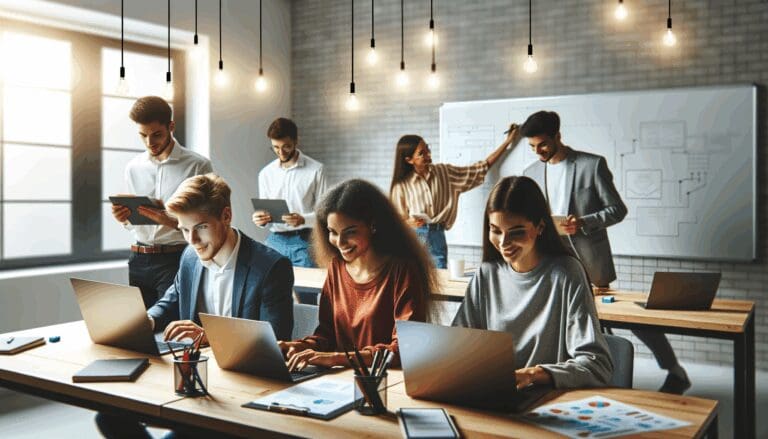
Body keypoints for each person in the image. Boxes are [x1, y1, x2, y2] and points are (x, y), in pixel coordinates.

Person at [96, 173, 294, 439]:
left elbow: (275, 343)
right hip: (194, 381)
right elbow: (172, 299)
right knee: (109, 415)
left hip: (240, 394)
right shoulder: (189, 255)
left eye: (200, 227)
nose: (192, 240)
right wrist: (146, 321)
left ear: (226, 216)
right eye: (184, 229)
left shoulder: (271, 267)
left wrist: (210, 338)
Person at [519, 110, 690, 394]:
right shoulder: (531, 173)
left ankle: (674, 370)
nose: (538, 152)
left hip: (591, 267)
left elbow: (618, 209)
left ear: (558, 136)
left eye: (543, 145)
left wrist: (584, 222)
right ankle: (567, 378)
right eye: (532, 147)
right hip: (551, 266)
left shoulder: (591, 165)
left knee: (630, 318)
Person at [453, 176, 613, 389]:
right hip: (494, 396)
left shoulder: (567, 273)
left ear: (540, 227)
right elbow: (457, 346)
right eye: (496, 230)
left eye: (516, 232)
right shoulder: (487, 273)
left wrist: (533, 374)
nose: (503, 243)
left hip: (546, 398)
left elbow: (596, 364)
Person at [279, 179, 438, 371]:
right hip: (338, 381)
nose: (340, 242)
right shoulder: (337, 267)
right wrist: (301, 346)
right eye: (332, 232)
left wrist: (336, 359)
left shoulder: (402, 270)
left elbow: (403, 350)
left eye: (350, 232)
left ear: (373, 225)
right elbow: (327, 336)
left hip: (384, 382)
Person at [111, 96, 213, 309]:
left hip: (176, 259)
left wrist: (171, 221)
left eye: (156, 134)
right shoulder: (133, 167)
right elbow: (132, 223)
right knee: (140, 328)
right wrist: (124, 218)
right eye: (143, 135)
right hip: (138, 259)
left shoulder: (198, 166)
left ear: (171, 127)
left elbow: (208, 223)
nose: (150, 143)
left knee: (172, 331)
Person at [389, 127, 521, 269]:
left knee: (440, 273)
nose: (428, 154)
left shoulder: (445, 173)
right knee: (416, 273)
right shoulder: (401, 185)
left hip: (437, 233)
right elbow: (395, 220)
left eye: (427, 148)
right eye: (422, 153)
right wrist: (409, 222)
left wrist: (508, 141)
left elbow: (480, 168)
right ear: (409, 160)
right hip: (415, 236)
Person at [253, 118, 327, 269]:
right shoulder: (265, 174)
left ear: (296, 141)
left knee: (306, 291)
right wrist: (260, 219)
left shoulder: (317, 170)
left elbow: (325, 214)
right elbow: (264, 211)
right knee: (270, 291)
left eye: (286, 146)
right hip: (275, 241)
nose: (281, 152)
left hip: (306, 241)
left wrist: (303, 219)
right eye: (275, 147)